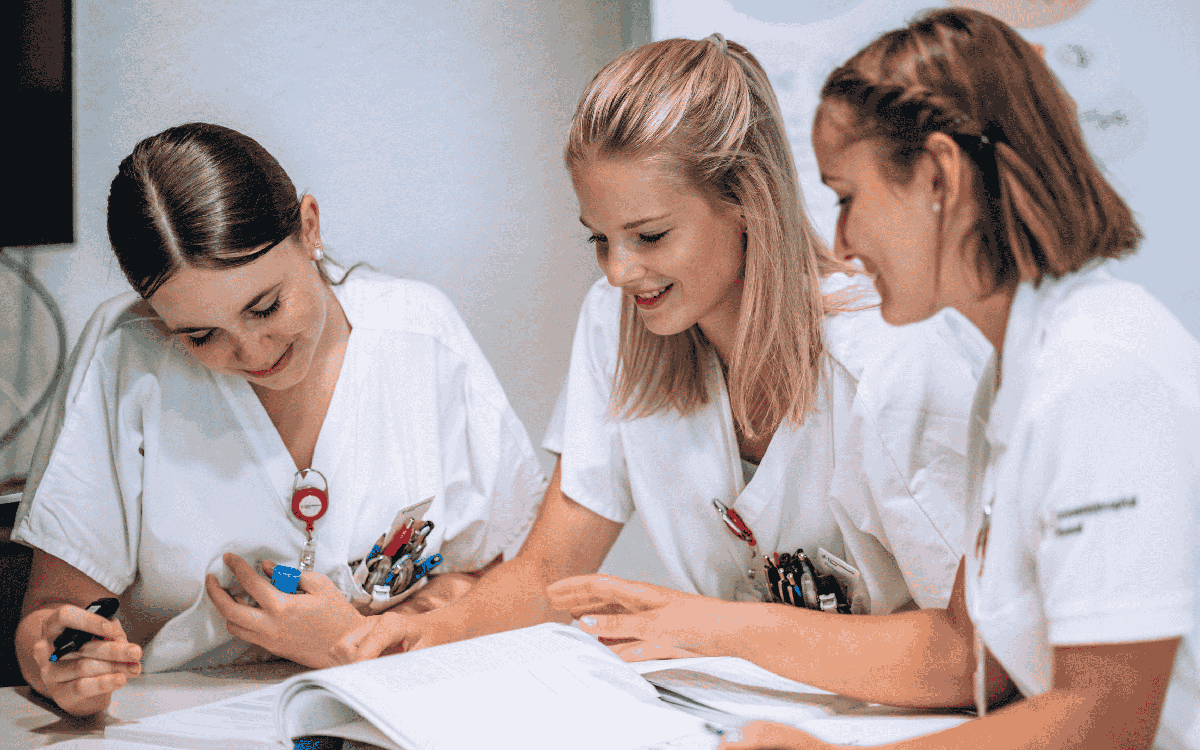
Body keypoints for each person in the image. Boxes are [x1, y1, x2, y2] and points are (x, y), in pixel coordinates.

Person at [557, 9, 1199, 749]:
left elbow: (1108, 718)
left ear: (938, 178)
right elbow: (975, 644)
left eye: (847, 199)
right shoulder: (1019, 372)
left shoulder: (1098, 373)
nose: (842, 242)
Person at [330, 34, 990, 666]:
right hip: (727, 707)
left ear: (746, 201)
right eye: (599, 239)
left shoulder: (893, 359)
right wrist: (426, 635)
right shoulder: (615, 323)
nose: (618, 272)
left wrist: (713, 628)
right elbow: (549, 570)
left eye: (649, 236)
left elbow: (972, 657)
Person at [12, 122, 546, 716]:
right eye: (200, 336)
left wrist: (351, 641)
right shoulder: (126, 357)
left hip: (398, 711)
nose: (251, 352)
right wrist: (63, 666)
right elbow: (51, 616)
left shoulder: (421, 339)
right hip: (179, 720)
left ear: (309, 228)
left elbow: (507, 577)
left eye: (265, 307)